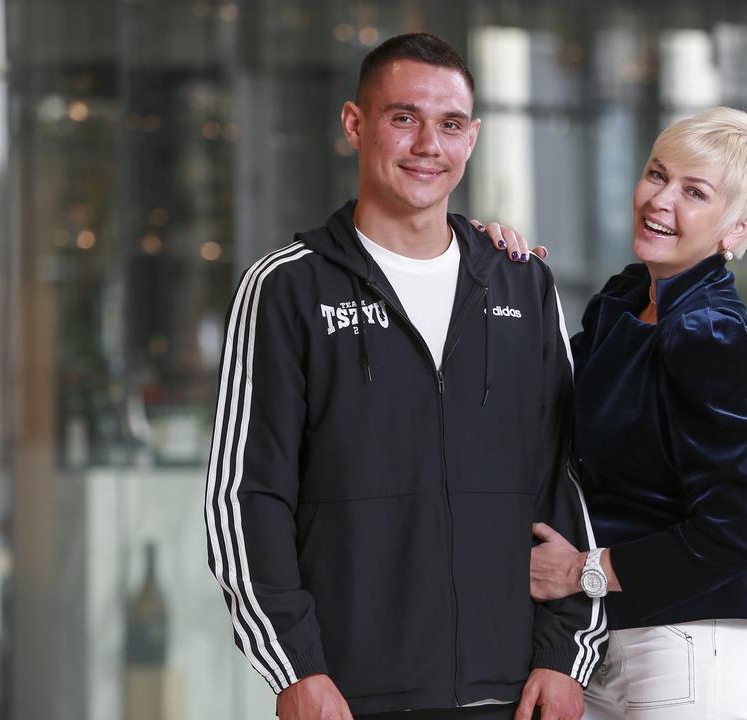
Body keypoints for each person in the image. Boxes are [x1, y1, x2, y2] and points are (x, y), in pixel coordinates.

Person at [203, 33, 606, 720]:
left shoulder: (522, 283)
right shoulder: (285, 288)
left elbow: (567, 479)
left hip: (512, 692)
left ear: (473, 138)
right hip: (349, 696)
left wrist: (565, 654)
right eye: (403, 118)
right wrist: (293, 666)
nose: (428, 145)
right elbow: (246, 497)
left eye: (450, 125)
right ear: (355, 124)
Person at [495, 107, 747, 719]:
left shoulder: (709, 333)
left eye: (695, 192)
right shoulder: (627, 303)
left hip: (700, 643)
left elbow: (731, 533)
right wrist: (484, 268)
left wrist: (584, 571)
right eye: (658, 175)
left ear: (737, 228)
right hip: (614, 637)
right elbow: (539, 402)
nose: (661, 200)